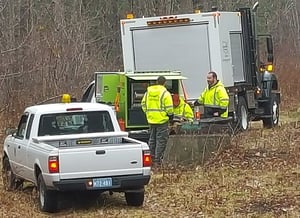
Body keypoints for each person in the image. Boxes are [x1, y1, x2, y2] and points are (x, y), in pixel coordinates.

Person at [141, 76, 174, 164]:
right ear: (164, 83)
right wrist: (170, 116)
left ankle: (151, 158)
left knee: (152, 139)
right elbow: (169, 108)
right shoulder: (165, 93)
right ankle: (158, 160)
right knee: (161, 140)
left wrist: (148, 113)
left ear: (156, 82)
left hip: (151, 120)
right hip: (162, 120)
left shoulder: (148, 92)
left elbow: (143, 104)